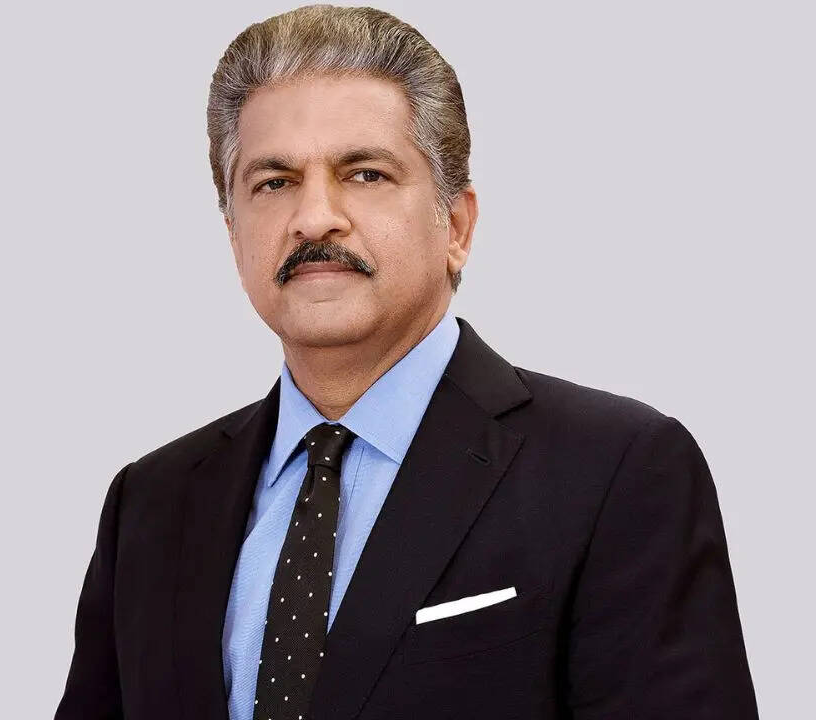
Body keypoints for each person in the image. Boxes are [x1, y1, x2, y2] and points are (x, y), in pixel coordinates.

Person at [55, 5, 758, 718]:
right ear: (234, 234)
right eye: (274, 182)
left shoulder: (616, 471)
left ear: (457, 226)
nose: (315, 217)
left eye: (365, 174)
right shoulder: (150, 504)